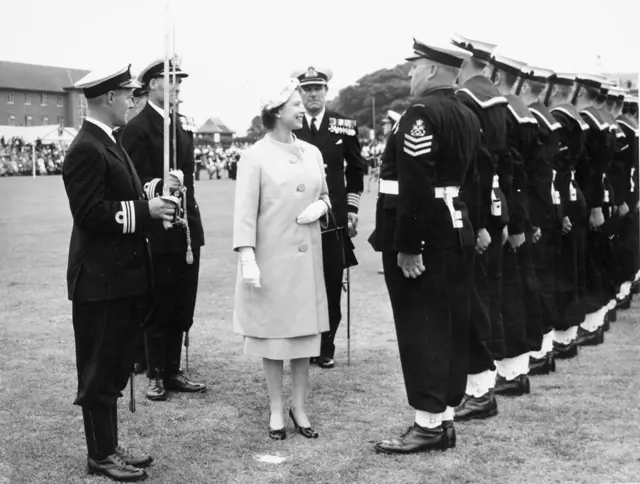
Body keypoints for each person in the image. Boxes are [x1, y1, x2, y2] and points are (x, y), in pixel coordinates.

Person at [63, 64, 178, 481]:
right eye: (128, 94)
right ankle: (100, 456)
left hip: (120, 279)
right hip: (100, 282)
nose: (133, 100)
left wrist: (157, 196)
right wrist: (144, 211)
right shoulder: (85, 149)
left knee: (113, 367)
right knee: (97, 371)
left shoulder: (109, 141)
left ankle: (109, 446)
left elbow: (122, 195)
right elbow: (90, 214)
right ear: (108, 98)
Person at [370, 38, 480, 454]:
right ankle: (444, 417)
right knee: (449, 325)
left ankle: (428, 423)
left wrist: (409, 245)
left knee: (422, 328)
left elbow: (415, 183)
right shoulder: (467, 113)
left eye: (415, 67)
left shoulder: (420, 113)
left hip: (425, 236)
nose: (411, 74)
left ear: (432, 69)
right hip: (454, 231)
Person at [233, 78, 330, 440]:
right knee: (274, 340)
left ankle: (299, 407)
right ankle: (276, 408)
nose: (302, 108)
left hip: (305, 260)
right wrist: (247, 257)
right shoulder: (254, 156)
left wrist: (322, 204)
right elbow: (244, 213)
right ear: (276, 112)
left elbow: (325, 193)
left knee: (304, 338)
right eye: (295, 104)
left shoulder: (313, 152)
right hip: (272, 261)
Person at [122, 58, 206, 401]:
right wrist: (157, 186)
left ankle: (173, 370)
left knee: (183, 302)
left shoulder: (180, 125)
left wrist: (181, 180)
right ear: (153, 83)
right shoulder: (138, 127)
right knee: (159, 302)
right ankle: (156, 372)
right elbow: (129, 179)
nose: (176, 86)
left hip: (186, 227)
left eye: (179, 81)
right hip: (157, 228)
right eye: (171, 80)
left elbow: (188, 170)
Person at [450, 34, 508, 422]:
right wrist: (498, 218)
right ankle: (481, 386)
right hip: (492, 208)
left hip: (474, 216)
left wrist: (478, 223)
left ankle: (481, 390)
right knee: (480, 298)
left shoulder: (467, 100)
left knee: (471, 303)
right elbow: (499, 168)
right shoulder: (496, 100)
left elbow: (474, 171)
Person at [291, 65, 366, 369]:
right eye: (307, 89)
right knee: (300, 284)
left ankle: (326, 345)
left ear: (326, 92)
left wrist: (351, 209)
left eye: (317, 89)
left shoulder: (342, 126)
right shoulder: (291, 125)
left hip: (332, 220)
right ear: (300, 92)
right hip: (298, 219)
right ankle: (303, 342)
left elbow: (357, 170)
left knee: (332, 283)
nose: (312, 94)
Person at [547, 72, 590, 359]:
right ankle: (568, 336)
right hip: (575, 194)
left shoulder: (560, 119)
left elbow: (555, 166)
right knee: (574, 265)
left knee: (562, 270)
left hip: (563, 196)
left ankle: (564, 336)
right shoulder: (578, 118)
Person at [376, 110, 401, 274]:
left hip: (396, 196)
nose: (384, 126)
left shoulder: (397, 139)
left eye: (387, 123)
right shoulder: (389, 140)